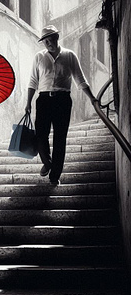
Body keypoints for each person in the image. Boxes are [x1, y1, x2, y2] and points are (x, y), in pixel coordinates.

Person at [25, 25, 98, 186]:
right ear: (43, 42)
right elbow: (32, 81)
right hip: (43, 100)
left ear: (57, 37)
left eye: (51, 39)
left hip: (63, 101)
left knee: (60, 138)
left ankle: (54, 175)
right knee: (40, 135)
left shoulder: (69, 56)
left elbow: (80, 79)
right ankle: (48, 163)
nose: (49, 43)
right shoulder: (39, 57)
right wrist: (28, 103)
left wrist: (92, 98)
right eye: (46, 41)